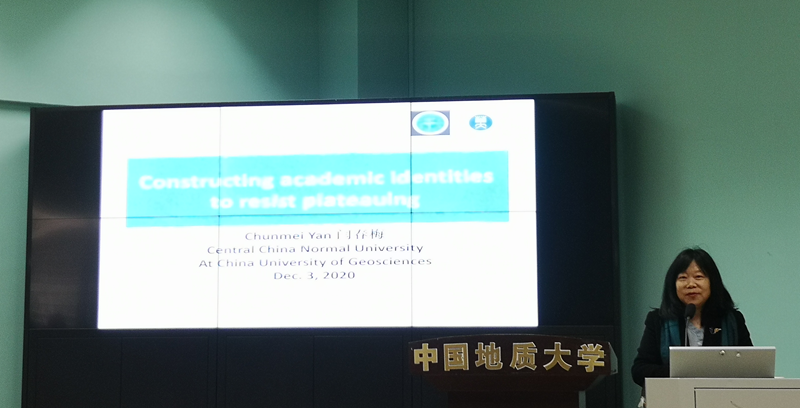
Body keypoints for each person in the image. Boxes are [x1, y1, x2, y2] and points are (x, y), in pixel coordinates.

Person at [631, 247, 752, 388]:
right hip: (675, 396)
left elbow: (751, 368)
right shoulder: (658, 320)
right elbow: (639, 370)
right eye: (682, 278)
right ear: (673, 284)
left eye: (698, 277)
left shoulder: (732, 320)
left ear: (712, 282)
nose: (691, 284)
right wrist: (681, 374)